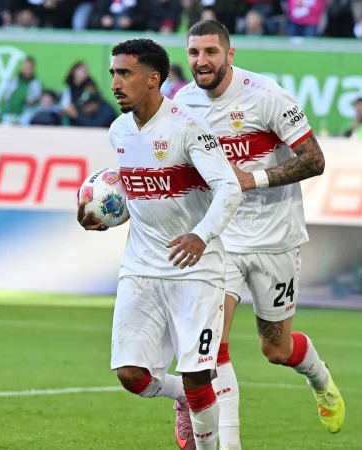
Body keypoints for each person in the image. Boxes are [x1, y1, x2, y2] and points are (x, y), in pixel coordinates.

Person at [170, 19, 345, 450]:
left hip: (275, 238)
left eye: (211, 52)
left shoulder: (266, 96)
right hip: (221, 238)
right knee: (213, 348)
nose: (201, 61)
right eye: (194, 53)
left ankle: (320, 378)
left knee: (276, 349)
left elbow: (315, 159)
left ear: (230, 55)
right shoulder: (183, 102)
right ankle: (227, 441)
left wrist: (254, 180)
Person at [76, 38, 242, 450]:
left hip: (194, 270)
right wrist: (106, 217)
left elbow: (229, 189)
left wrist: (201, 235)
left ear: (153, 79)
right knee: (131, 375)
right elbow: (142, 196)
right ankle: (183, 401)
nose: (115, 82)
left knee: (199, 375)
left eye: (125, 73)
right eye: (113, 72)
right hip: (141, 267)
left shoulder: (188, 129)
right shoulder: (118, 131)